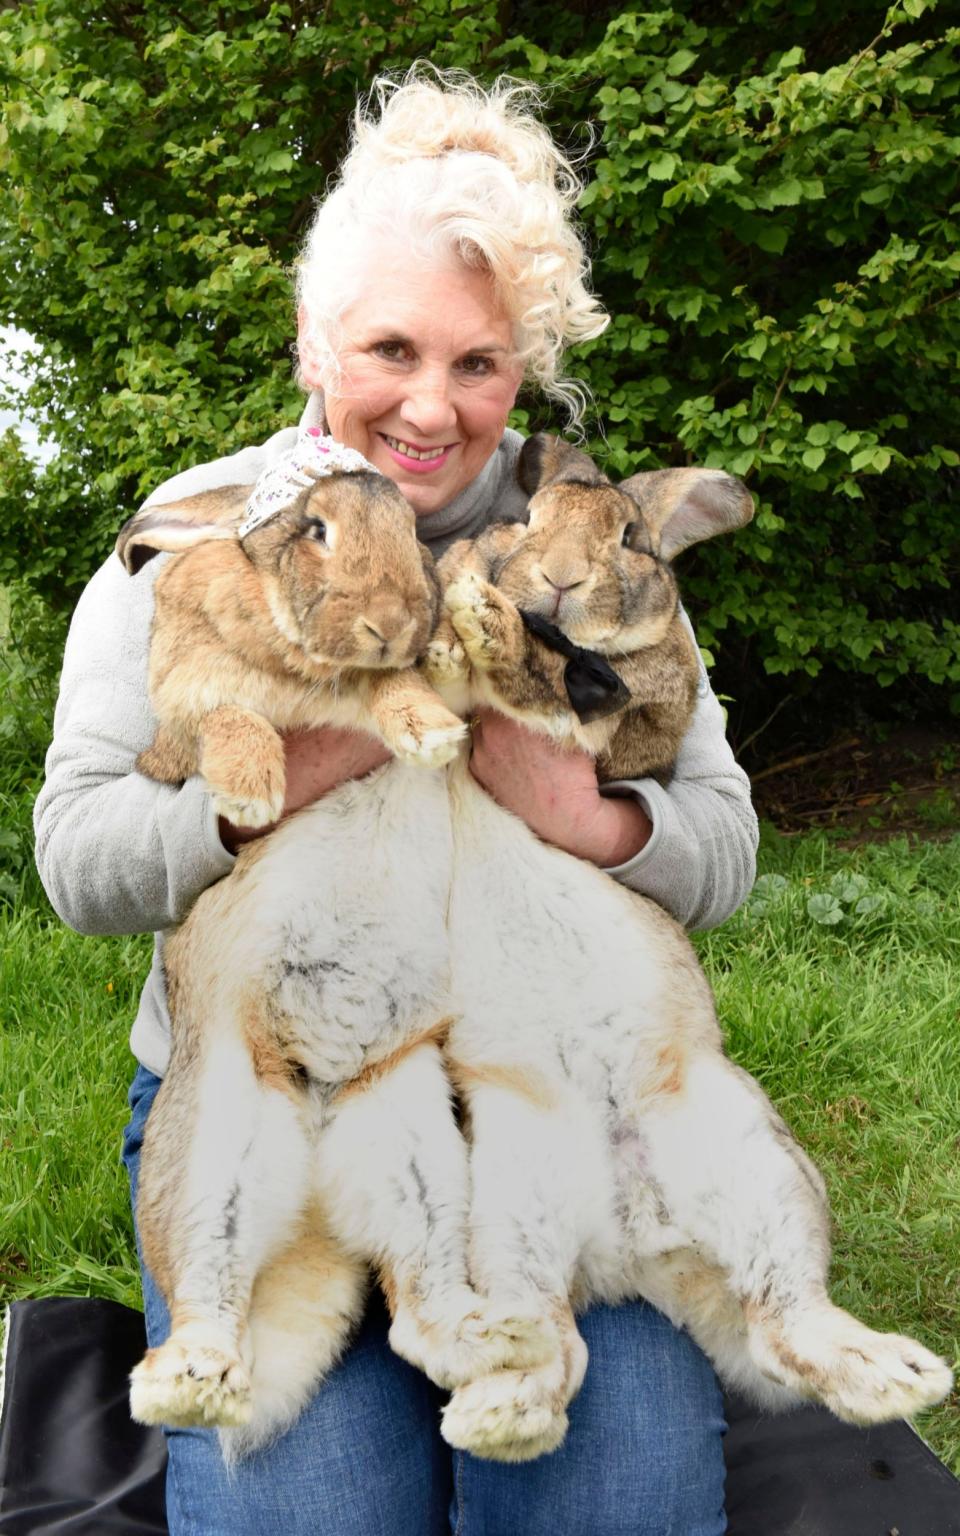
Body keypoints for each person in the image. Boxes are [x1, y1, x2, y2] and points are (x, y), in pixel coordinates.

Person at [34, 67, 755, 1536]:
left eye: (480, 365)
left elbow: (726, 841)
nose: (432, 407)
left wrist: (591, 817)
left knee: (614, 1500)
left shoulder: (580, 537)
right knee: (310, 1512)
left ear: (522, 373)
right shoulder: (200, 530)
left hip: (546, 1101)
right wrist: (298, 767)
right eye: (391, 348)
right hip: (267, 1099)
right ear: (314, 342)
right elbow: (75, 859)